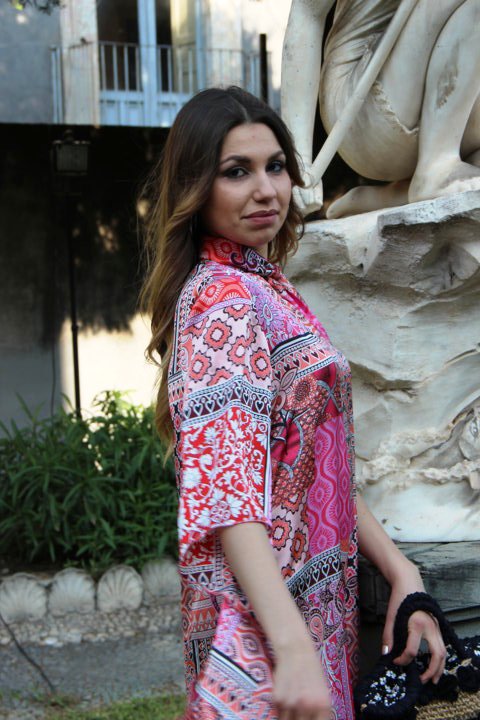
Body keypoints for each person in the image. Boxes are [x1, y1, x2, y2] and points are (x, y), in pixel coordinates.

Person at [140, 87, 446, 720]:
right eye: (237, 172)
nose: (266, 190)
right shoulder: (222, 300)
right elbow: (227, 495)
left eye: (275, 166)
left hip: (311, 616)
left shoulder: (265, 286)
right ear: (196, 188)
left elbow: (309, 461)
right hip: (266, 630)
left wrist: (401, 570)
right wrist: (292, 646)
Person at [281, 0, 480, 217]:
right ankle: (437, 166)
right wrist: (299, 164)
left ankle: (397, 195)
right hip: (360, 104)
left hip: (445, 98)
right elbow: (306, 14)